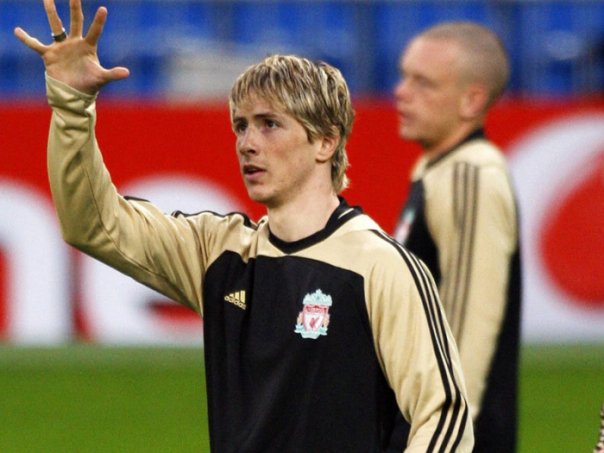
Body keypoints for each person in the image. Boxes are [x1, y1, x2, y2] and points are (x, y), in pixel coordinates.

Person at [15, 1, 473, 451]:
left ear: (326, 142)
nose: (247, 143)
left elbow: (444, 417)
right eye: (241, 126)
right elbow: (92, 224)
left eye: (269, 124)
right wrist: (72, 106)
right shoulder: (219, 251)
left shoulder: (380, 266)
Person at [392, 21, 522, 452]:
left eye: (423, 82)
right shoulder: (438, 169)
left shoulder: (470, 176)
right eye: (404, 75)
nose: (401, 92)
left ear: (472, 100)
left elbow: (466, 330)